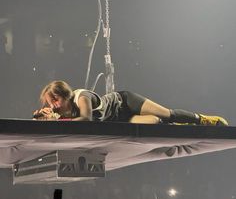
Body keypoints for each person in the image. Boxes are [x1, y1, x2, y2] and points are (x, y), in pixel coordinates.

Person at [33, 80, 229, 125]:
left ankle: (202, 119)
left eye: (55, 100)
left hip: (125, 103)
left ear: (65, 95)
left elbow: (84, 119)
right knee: (155, 124)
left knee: (166, 114)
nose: (54, 105)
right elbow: (64, 120)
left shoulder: (80, 96)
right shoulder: (60, 110)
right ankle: (181, 125)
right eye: (50, 103)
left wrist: (56, 121)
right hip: (122, 120)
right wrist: (45, 118)